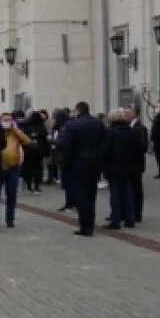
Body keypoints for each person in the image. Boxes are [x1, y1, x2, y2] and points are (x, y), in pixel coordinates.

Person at [58, 101, 106, 237]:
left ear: (78, 110)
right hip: (94, 164)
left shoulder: (72, 125)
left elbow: (67, 145)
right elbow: (104, 142)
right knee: (91, 195)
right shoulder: (98, 123)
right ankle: (90, 225)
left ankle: (85, 226)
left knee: (81, 196)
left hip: (77, 164)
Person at [102, 109, 141, 230]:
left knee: (115, 192)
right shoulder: (131, 131)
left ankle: (116, 219)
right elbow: (137, 150)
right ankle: (130, 219)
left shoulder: (111, 132)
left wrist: (104, 165)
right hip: (129, 167)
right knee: (128, 192)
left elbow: (105, 150)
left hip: (114, 167)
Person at [0, 111, 31, 228]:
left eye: (9, 120)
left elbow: (27, 141)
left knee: (11, 195)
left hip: (13, 168)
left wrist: (16, 130)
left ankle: (10, 219)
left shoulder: (15, 133)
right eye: (5, 120)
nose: (7, 122)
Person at [127, 105, 149, 223]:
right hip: (130, 164)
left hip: (136, 163)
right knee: (130, 188)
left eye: (129, 111)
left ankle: (137, 213)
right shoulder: (129, 126)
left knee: (136, 189)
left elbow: (143, 147)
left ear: (135, 113)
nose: (126, 113)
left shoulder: (140, 128)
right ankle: (130, 211)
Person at [22, 111, 48, 194]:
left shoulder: (26, 126)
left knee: (28, 168)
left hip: (28, 150)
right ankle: (37, 187)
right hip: (38, 151)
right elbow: (45, 138)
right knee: (38, 168)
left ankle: (29, 187)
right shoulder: (41, 126)